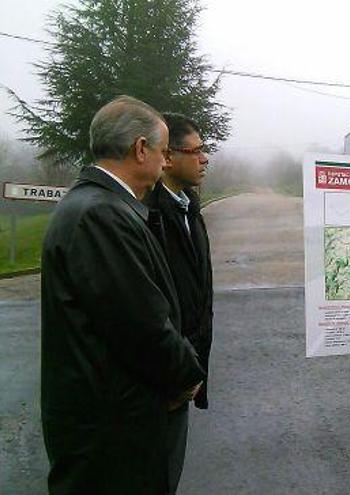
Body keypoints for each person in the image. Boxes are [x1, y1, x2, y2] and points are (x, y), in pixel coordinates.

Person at [41, 96, 205, 494]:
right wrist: (188, 374)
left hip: (112, 424)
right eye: (164, 152)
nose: (166, 162)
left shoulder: (102, 207)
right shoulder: (101, 215)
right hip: (112, 437)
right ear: (140, 149)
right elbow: (142, 325)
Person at [144, 112, 214, 493]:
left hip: (186, 372)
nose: (204, 159)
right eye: (196, 151)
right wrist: (177, 372)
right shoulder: (148, 215)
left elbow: (200, 295)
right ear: (167, 158)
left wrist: (194, 368)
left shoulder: (190, 206)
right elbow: (150, 309)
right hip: (163, 381)